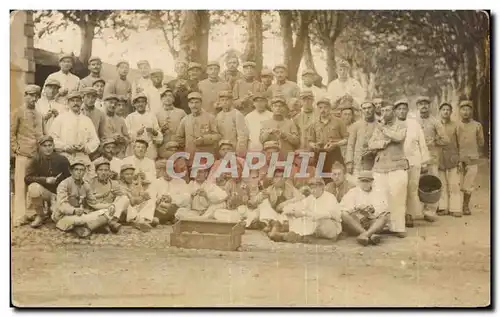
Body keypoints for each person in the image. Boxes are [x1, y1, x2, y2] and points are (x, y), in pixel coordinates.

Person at [52, 159, 123, 238]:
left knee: (107, 211)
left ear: (85, 172)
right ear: (71, 171)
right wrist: (74, 210)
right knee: (76, 221)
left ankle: (87, 227)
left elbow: (94, 203)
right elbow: (62, 205)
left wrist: (110, 206)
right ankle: (92, 227)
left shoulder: (86, 185)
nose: (79, 172)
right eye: (76, 169)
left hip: (82, 214)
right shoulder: (64, 184)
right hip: (64, 215)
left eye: (82, 170)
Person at [368, 100, 408, 237]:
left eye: (388, 110)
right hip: (380, 166)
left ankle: (399, 227)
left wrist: (384, 130)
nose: (385, 113)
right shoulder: (378, 127)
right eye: (383, 110)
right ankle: (384, 225)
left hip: (397, 165)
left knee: (397, 196)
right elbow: (371, 144)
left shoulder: (401, 124)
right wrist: (384, 142)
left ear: (394, 112)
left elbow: (398, 137)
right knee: (380, 197)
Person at [394, 98, 432, 227]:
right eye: (399, 109)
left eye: (404, 109)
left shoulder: (414, 124)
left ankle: (409, 215)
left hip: (414, 161)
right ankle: (399, 215)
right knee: (399, 189)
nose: (402, 111)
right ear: (395, 111)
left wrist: (424, 162)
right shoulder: (392, 124)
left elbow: (422, 143)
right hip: (397, 163)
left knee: (412, 189)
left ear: (408, 110)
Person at [11, 84, 44, 227]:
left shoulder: (39, 114)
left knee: (32, 184)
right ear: (25, 96)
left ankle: (30, 213)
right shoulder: (18, 112)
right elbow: (11, 132)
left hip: (35, 154)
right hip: (23, 153)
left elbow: (42, 134)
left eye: (35, 96)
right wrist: (15, 148)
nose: (33, 98)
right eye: (30, 95)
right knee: (20, 185)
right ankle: (19, 215)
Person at [274, 177, 342, 243]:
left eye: (315, 188)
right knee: (299, 219)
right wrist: (290, 210)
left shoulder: (330, 197)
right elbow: (299, 205)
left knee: (321, 224)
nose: (313, 191)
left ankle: (293, 236)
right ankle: (292, 235)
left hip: (331, 226)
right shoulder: (311, 198)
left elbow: (335, 216)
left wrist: (306, 213)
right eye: (311, 188)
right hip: (315, 224)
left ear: (322, 187)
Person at [24, 135, 71, 228]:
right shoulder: (36, 159)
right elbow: (27, 178)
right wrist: (45, 180)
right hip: (45, 192)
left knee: (58, 218)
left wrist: (63, 193)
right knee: (33, 188)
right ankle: (40, 215)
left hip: (59, 194)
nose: (47, 148)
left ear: (53, 146)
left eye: (50, 145)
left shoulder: (62, 159)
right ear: (40, 147)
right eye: (44, 146)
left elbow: (69, 178)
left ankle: (53, 211)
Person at [416, 96, 449, 219]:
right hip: (417, 158)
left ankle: (430, 211)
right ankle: (418, 210)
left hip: (431, 158)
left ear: (429, 106)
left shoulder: (435, 121)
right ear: (417, 106)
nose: (423, 106)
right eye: (421, 104)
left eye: (426, 104)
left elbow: (446, 139)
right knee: (416, 183)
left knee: (432, 184)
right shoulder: (414, 121)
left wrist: (434, 142)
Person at [50, 91, 100, 171]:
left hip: (82, 156)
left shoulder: (87, 120)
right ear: (68, 103)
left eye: (78, 101)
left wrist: (85, 147)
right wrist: (65, 147)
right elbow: (52, 138)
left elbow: (95, 140)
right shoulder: (60, 119)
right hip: (65, 156)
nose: (75, 103)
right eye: (72, 101)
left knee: (90, 176)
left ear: (81, 102)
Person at [339, 170, 389, 246]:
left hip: (372, 223)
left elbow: (384, 208)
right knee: (344, 214)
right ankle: (370, 235)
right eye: (363, 181)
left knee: (385, 216)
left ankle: (365, 235)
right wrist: (357, 209)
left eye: (367, 181)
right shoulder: (353, 192)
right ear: (359, 181)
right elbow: (344, 208)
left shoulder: (378, 192)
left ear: (372, 181)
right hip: (357, 223)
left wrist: (373, 209)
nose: (365, 184)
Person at [457, 99, 485, 216]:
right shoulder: (456, 125)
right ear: (459, 111)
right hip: (459, 158)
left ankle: (465, 206)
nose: (466, 112)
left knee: (469, 183)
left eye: (468, 109)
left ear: (472, 111)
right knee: (457, 182)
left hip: (472, 157)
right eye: (463, 109)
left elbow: (481, 142)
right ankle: (456, 206)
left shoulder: (477, 125)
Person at [309, 98, 348, 177]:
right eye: (320, 108)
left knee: (336, 177)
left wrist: (336, 144)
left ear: (330, 108)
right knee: (320, 178)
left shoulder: (338, 122)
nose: (323, 110)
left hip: (334, 154)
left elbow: (346, 139)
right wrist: (314, 145)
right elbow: (310, 141)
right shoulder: (314, 124)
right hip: (320, 154)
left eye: (325, 107)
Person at [259, 167, 303, 237]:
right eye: (276, 177)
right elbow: (257, 199)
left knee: (296, 205)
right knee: (264, 203)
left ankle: (276, 229)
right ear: (273, 179)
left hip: (285, 215)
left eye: (281, 177)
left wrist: (285, 203)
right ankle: (273, 225)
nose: (279, 179)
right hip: (274, 215)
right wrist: (261, 197)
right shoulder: (270, 189)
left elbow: (301, 197)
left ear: (285, 179)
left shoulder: (290, 188)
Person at [176, 92, 221, 158]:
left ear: (201, 103)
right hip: (190, 156)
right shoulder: (185, 119)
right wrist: (188, 144)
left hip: (206, 156)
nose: (194, 105)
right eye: (191, 103)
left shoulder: (210, 118)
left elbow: (218, 136)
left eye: (197, 102)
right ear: (188, 104)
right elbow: (179, 137)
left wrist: (204, 139)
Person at [437, 102, 462, 217]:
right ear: (440, 111)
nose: (446, 112)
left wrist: (460, 159)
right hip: (439, 158)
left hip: (453, 157)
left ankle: (455, 208)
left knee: (454, 184)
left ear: (451, 112)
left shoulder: (456, 126)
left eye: (448, 110)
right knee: (441, 183)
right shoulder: (436, 125)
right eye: (443, 109)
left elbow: (460, 143)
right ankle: (443, 207)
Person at [118, 164, 157, 231]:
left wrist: (145, 196)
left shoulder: (134, 185)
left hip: (135, 209)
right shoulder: (119, 185)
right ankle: (141, 220)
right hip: (125, 211)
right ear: (122, 175)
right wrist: (141, 198)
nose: (130, 176)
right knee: (126, 201)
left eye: (131, 174)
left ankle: (142, 220)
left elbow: (142, 196)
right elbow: (132, 201)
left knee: (151, 201)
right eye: (127, 174)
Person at [125, 93, 163, 159]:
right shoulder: (129, 117)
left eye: (143, 102)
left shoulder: (152, 116)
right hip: (134, 150)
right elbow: (126, 136)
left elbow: (159, 138)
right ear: (134, 104)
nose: (140, 104)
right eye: (138, 102)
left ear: (146, 103)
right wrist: (137, 133)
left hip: (149, 150)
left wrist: (154, 132)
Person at [345, 100, 377, 177]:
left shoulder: (379, 125)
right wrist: (349, 162)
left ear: (374, 109)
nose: (367, 110)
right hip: (358, 163)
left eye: (369, 108)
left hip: (375, 163)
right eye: (364, 108)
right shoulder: (356, 125)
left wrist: (373, 150)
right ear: (361, 110)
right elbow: (350, 145)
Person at [214, 90, 249, 157]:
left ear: (231, 101)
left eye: (227, 100)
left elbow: (242, 136)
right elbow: (217, 134)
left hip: (234, 149)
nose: (224, 102)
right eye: (222, 100)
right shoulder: (218, 115)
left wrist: (239, 153)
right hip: (222, 149)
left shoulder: (237, 114)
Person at [155, 87, 187, 159]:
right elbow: (155, 132)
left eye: (170, 95)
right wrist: (161, 130)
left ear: (174, 99)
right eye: (165, 96)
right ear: (161, 99)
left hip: (178, 146)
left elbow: (187, 129)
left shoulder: (181, 112)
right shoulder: (157, 114)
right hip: (163, 147)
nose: (168, 98)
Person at [101, 94, 130, 158]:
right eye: (110, 102)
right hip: (103, 153)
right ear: (104, 103)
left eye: (115, 103)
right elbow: (95, 137)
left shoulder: (120, 120)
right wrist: (111, 138)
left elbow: (127, 138)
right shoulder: (100, 118)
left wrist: (122, 139)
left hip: (118, 153)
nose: (113, 105)